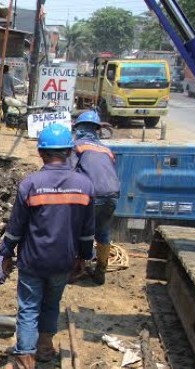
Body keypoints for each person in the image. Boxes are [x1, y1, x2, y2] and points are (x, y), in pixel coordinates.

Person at [0, 123, 95, 369]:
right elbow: (88, 233)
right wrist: (83, 258)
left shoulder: (31, 185)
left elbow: (15, 228)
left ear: (41, 153)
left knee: (28, 310)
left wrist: (5, 254)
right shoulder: (84, 186)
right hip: (64, 261)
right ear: (68, 152)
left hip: (33, 261)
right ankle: (44, 349)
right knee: (52, 304)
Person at [70, 110, 120, 285]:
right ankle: (100, 271)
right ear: (96, 129)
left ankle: (78, 268)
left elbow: (68, 172)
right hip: (113, 194)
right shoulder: (106, 149)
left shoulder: (77, 146)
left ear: (79, 128)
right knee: (103, 230)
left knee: (78, 229)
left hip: (93, 194)